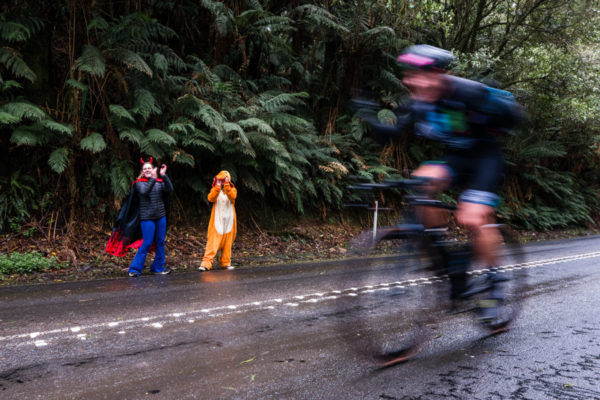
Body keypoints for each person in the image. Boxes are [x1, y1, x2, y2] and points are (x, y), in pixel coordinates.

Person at [362, 45, 523, 331]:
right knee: (421, 179)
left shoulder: (468, 93)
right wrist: (371, 119)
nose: (410, 80)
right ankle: (442, 251)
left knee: (472, 216)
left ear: (438, 74)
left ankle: (494, 280)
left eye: (417, 74)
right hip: (457, 157)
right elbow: (395, 132)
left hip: (486, 158)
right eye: (408, 74)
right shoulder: (418, 102)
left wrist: (500, 117)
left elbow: (513, 116)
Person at [106, 157, 174, 276]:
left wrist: (163, 176)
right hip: (147, 218)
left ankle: (158, 267)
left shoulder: (159, 182)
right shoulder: (139, 184)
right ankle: (134, 269)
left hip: (160, 216)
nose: (147, 170)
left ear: (153, 169)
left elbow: (169, 189)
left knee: (160, 242)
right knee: (147, 242)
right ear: (142, 171)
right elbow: (145, 192)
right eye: (145, 169)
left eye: (149, 168)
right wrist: (153, 178)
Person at [199, 170, 237, 271]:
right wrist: (217, 186)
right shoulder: (216, 190)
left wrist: (227, 185)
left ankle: (225, 262)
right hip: (217, 221)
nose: (222, 181)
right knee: (212, 243)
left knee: (227, 243)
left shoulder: (233, 189)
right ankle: (206, 264)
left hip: (229, 222)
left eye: (224, 179)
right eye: (220, 179)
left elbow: (232, 197)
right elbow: (210, 198)